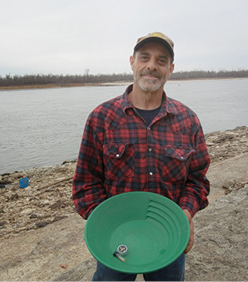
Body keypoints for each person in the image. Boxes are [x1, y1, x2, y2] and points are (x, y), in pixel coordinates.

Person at [72, 32, 210, 281]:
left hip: (169, 238)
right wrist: (104, 225)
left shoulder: (188, 120)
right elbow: (85, 182)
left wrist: (185, 215)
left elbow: (197, 181)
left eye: (161, 60)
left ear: (171, 69)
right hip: (114, 240)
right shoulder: (101, 118)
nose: (151, 66)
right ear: (132, 62)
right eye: (144, 57)